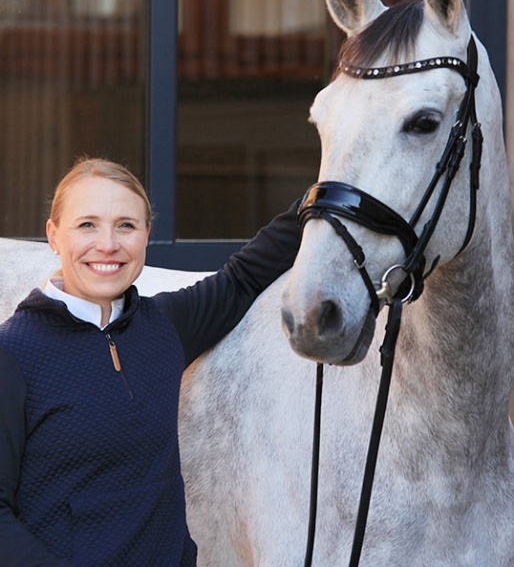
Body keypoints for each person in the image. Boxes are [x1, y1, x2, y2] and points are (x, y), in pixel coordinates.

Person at [0, 157, 302, 567]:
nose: (107, 244)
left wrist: (319, 198)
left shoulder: (164, 327)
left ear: (146, 235)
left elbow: (242, 279)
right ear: (53, 235)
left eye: (126, 225)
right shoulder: (13, 354)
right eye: (87, 224)